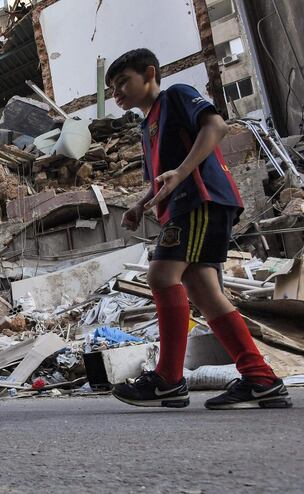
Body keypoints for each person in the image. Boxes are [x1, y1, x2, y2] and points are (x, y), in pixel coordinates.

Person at [105, 48, 291, 410]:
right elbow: (162, 174)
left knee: (161, 275)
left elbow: (216, 126)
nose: (117, 93)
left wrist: (181, 175)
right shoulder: (146, 126)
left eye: (123, 82)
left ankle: (168, 379)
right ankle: (261, 379)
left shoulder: (175, 96)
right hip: (184, 202)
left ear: (149, 74)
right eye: (112, 88)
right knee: (204, 292)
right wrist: (141, 204)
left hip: (199, 199)